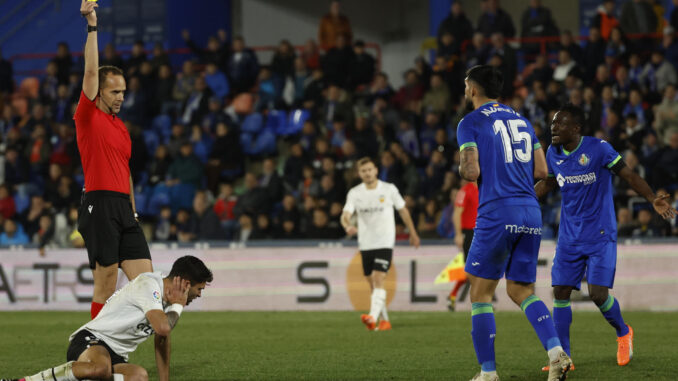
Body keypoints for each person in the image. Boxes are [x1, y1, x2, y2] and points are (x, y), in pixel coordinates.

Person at [535, 103, 677, 371]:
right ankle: (563, 358)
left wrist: (651, 198)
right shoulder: (552, 153)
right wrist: (523, 200)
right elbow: (550, 183)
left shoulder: (599, 149)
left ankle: (623, 332)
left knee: (598, 295)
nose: (553, 128)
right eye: (553, 123)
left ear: (575, 128)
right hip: (569, 236)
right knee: (560, 291)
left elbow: (628, 174)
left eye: (560, 123)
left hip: (600, 233)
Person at [457, 65, 571, 381]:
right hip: (530, 212)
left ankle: (488, 373)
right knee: (521, 289)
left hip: (497, 212)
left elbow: (470, 171)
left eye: (467, 85)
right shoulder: (521, 120)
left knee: (480, 294)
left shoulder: (471, 122)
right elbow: (541, 169)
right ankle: (556, 353)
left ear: (474, 89)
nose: (466, 91)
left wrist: (463, 164)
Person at [1, 256, 213, 381]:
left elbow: (162, 339)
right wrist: (179, 304)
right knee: (100, 368)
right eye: (198, 289)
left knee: (139, 376)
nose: (199, 295)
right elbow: (163, 329)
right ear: (185, 283)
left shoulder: (167, 302)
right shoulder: (150, 285)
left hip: (116, 355)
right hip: (91, 341)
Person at [75, 0, 152, 320]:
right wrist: (92, 26)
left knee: (148, 283)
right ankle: (94, 349)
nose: (120, 96)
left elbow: (127, 170)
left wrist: (132, 209)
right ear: (100, 92)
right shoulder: (87, 115)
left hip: (123, 207)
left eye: (123, 91)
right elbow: (91, 70)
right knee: (105, 288)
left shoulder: (121, 128)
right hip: (99, 203)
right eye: (114, 91)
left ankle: (113, 346)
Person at [341, 157, 420, 332]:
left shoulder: (389, 189)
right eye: (363, 171)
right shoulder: (355, 193)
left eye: (370, 170)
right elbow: (345, 214)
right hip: (366, 243)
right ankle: (384, 321)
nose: (367, 173)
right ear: (359, 173)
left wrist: (412, 232)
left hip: (384, 241)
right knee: (373, 285)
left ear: (376, 170)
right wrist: (347, 225)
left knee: (378, 278)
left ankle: (372, 317)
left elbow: (403, 210)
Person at [447, 178, 478, 311]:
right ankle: (481, 301)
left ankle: (453, 295)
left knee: (474, 269)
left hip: (483, 232)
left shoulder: (486, 188)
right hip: (469, 233)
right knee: (473, 269)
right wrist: (458, 234)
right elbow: (456, 213)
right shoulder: (464, 191)